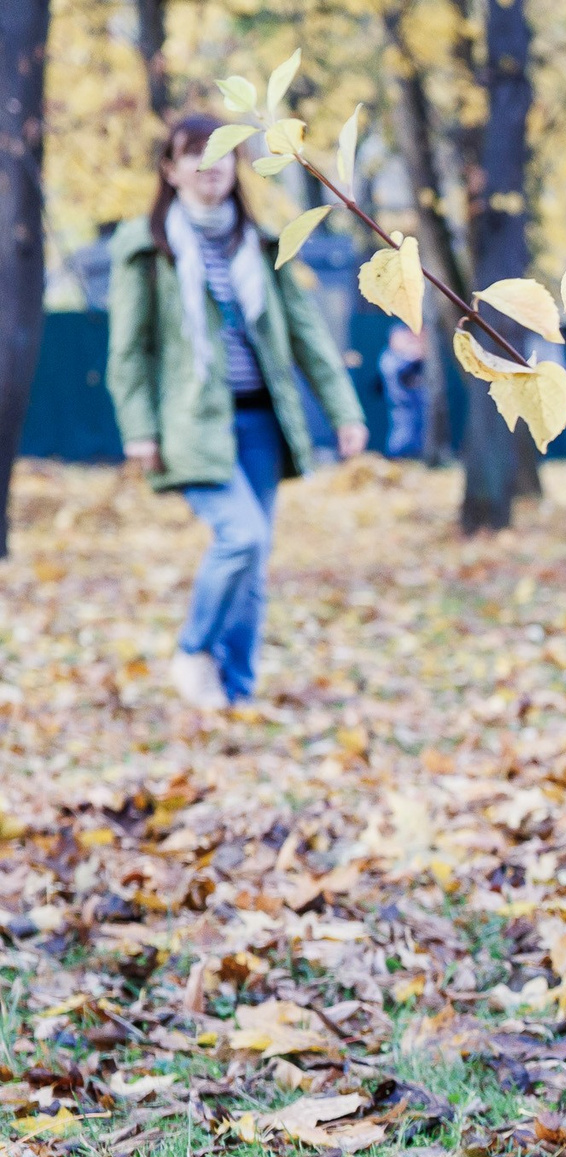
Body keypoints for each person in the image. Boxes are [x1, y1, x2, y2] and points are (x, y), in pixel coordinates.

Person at [107, 114, 369, 712]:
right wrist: (139, 430)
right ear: (169, 170)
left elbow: (308, 337)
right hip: (192, 423)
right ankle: (194, 651)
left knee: (254, 563)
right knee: (240, 536)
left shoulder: (262, 242)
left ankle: (235, 694)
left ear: (237, 165)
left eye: (222, 153)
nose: (211, 166)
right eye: (194, 155)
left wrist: (345, 412)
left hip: (261, 425)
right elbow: (128, 350)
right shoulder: (147, 247)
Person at [380, 324, 429, 459]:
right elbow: (403, 374)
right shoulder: (391, 358)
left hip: (411, 404)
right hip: (402, 403)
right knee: (402, 432)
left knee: (414, 431)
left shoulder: (395, 358)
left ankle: (409, 457)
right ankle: (396, 458)